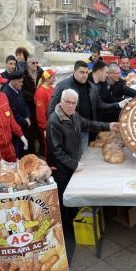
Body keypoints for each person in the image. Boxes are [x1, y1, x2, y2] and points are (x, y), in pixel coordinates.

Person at [47, 89, 119, 236]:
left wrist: (108, 126)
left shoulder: (74, 115)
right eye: (68, 102)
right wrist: (74, 164)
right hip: (62, 168)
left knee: (74, 198)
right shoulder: (54, 121)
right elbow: (56, 151)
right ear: (61, 101)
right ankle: (67, 231)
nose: (71, 106)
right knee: (65, 198)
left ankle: (77, 224)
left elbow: (88, 124)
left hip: (73, 162)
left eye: (74, 103)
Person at [47, 61, 124, 149]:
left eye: (87, 72)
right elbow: (52, 108)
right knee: (67, 156)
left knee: (81, 155)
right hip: (69, 130)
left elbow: (100, 106)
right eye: (82, 72)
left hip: (86, 129)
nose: (85, 75)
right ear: (74, 71)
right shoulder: (63, 85)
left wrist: (118, 105)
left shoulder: (91, 87)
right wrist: (52, 129)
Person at [0, 71, 28, 162]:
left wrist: (21, 135)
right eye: (0, 83)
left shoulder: (3, 96)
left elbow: (11, 120)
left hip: (9, 147)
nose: (2, 85)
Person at [3, 71, 31, 158]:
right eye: (20, 81)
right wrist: (25, 122)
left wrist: (28, 117)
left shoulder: (18, 89)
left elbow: (25, 104)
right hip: (16, 130)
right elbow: (13, 114)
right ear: (13, 81)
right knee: (19, 154)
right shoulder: (6, 93)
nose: (22, 84)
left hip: (24, 125)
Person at [23, 55, 44, 152]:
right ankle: (32, 152)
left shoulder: (41, 72)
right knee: (30, 130)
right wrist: (34, 97)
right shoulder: (23, 74)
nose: (36, 64)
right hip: (29, 105)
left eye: (37, 62)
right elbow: (22, 90)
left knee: (41, 128)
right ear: (28, 64)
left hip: (40, 105)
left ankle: (42, 150)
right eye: (33, 63)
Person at [34, 69, 58, 154]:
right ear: (47, 79)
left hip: (53, 122)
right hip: (47, 125)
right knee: (49, 146)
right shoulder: (40, 92)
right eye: (53, 77)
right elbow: (40, 112)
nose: (55, 79)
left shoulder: (51, 88)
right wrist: (44, 127)